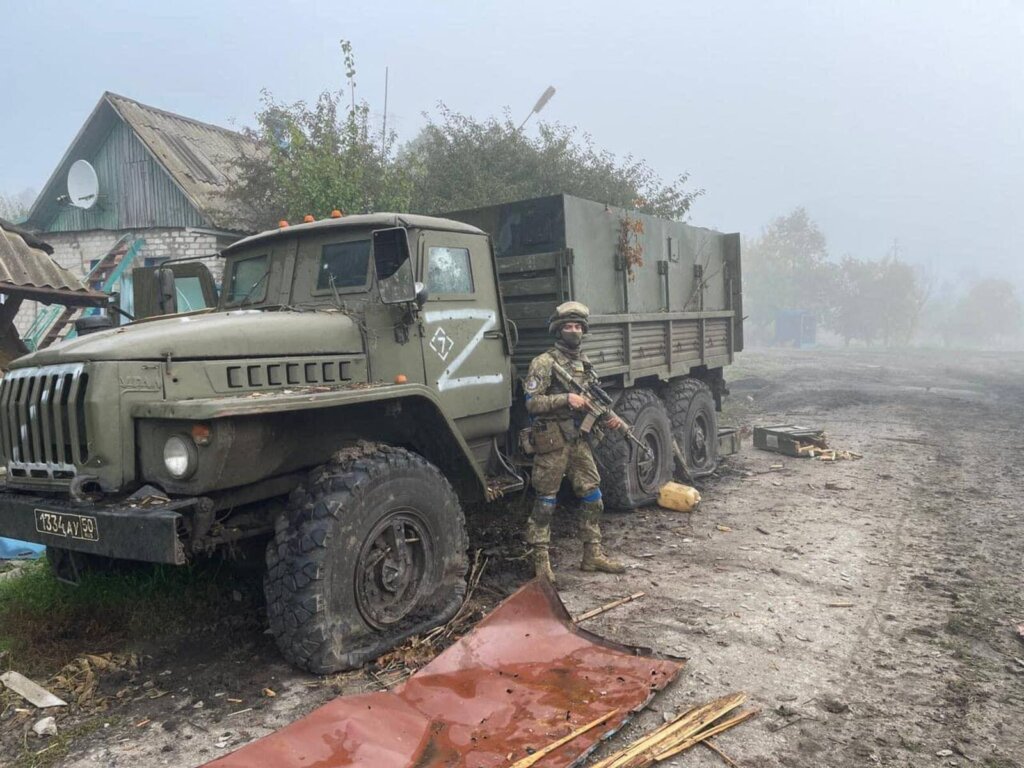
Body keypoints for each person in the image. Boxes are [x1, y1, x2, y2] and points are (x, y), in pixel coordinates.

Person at [522, 301, 626, 583]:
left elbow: (594, 399)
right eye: (568, 326)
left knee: (593, 496)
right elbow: (531, 404)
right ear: (558, 330)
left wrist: (609, 417)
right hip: (553, 441)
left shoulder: (584, 364)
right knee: (545, 502)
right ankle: (541, 562)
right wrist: (565, 399)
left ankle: (592, 554)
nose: (574, 331)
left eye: (578, 326)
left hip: (578, 440)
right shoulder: (543, 363)